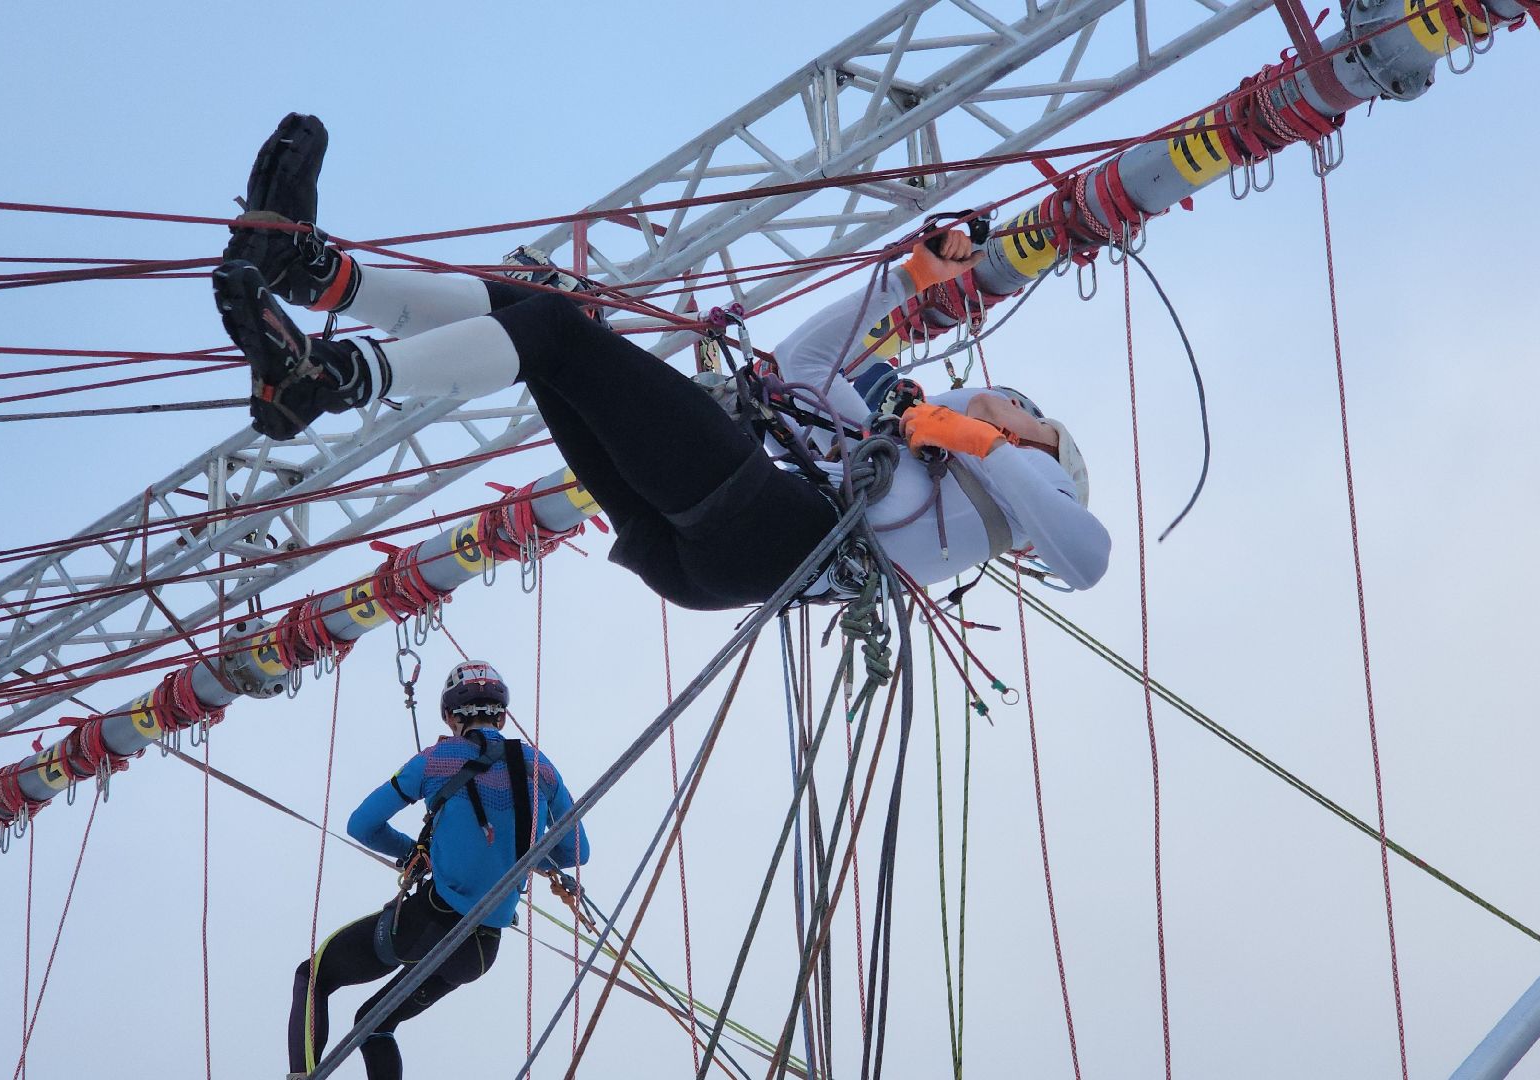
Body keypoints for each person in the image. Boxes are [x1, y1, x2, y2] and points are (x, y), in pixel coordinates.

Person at [218, 114, 1110, 611]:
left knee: (560, 332)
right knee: (542, 331)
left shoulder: (1014, 487)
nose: (1002, 399)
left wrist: (985, 444)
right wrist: (908, 278)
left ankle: (334, 376)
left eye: (1025, 410)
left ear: (1044, 447)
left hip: (768, 534)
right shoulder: (900, 453)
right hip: (709, 555)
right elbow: (800, 364)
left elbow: (1088, 559)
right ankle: (322, 277)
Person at [289, 661, 589, 1079]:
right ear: (501, 716)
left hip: (430, 923)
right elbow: (577, 850)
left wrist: (414, 854)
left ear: (450, 716)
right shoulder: (541, 768)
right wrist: (520, 851)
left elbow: (361, 825)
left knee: (313, 974)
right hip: (481, 952)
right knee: (374, 1024)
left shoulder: (436, 760)